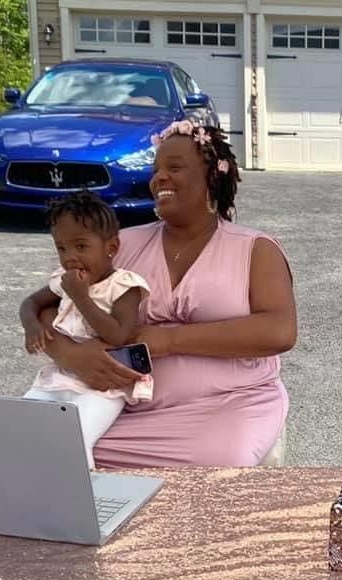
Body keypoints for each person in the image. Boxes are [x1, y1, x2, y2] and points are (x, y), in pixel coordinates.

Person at [35, 119, 297, 467]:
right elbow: (52, 305)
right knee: (52, 448)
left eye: (174, 168)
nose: (159, 178)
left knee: (215, 465)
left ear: (212, 178)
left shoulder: (255, 249)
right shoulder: (123, 244)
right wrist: (71, 354)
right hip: (122, 408)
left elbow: (279, 331)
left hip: (229, 406)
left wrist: (168, 340)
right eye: (155, 170)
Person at [20, 191, 152, 468]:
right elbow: (30, 303)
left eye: (81, 246)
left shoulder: (124, 286)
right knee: (19, 425)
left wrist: (81, 296)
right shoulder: (63, 280)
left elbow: (118, 335)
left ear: (111, 248)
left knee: (76, 439)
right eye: (61, 248)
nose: (70, 258)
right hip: (60, 377)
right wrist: (31, 325)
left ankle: (87, 489)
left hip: (102, 389)